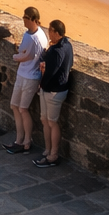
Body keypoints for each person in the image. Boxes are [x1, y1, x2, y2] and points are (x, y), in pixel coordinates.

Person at [6, 7, 50, 155]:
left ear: (33, 19)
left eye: (26, 17)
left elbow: (26, 56)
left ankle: (26, 141)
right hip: (23, 74)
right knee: (14, 105)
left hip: (30, 77)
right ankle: (19, 140)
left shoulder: (35, 37)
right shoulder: (32, 34)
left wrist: (14, 57)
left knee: (23, 109)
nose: (24, 19)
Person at [35, 19, 74, 168]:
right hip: (53, 89)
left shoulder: (57, 51)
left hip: (54, 91)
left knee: (51, 122)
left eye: (50, 31)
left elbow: (50, 72)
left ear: (57, 33)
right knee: (45, 120)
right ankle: (48, 150)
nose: (49, 33)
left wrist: (42, 76)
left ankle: (53, 155)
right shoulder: (67, 45)